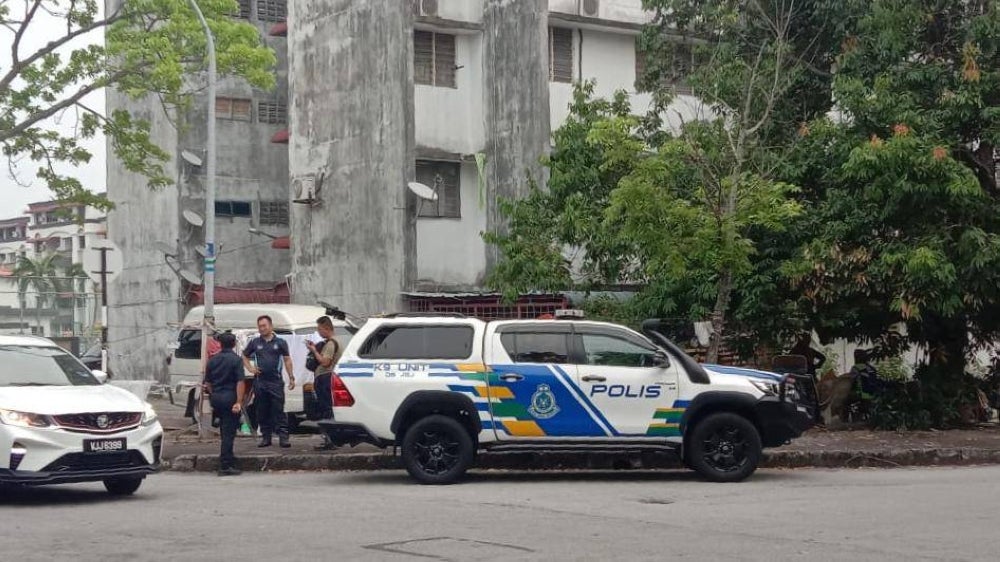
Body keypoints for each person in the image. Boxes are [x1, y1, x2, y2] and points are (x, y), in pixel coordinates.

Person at [242, 315, 295, 448]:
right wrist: (250, 368)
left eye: (264, 326)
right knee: (262, 410)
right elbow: (244, 355)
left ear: (270, 326)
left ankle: (283, 437)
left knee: (279, 410)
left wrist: (291, 377)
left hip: (276, 381)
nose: (262, 328)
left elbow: (287, 359)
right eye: (259, 326)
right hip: (260, 382)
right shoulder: (255, 342)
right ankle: (266, 437)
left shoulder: (281, 342)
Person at [203, 332, 246, 476]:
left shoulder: (212, 360)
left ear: (220, 344)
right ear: (234, 344)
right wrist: (239, 402)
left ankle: (228, 456)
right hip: (230, 398)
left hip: (216, 398)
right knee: (229, 432)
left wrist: (214, 394)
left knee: (223, 430)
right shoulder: (236, 360)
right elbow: (240, 382)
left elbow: (208, 383)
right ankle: (225, 464)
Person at [308, 316, 342, 451]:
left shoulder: (331, 343)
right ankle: (330, 439)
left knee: (326, 409)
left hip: (325, 378)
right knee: (326, 409)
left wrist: (314, 351)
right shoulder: (333, 342)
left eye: (320, 329)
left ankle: (330, 440)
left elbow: (325, 362)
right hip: (325, 378)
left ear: (327, 328)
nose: (319, 332)